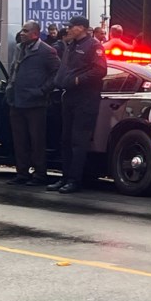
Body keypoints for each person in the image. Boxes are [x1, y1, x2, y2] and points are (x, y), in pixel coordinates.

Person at [48, 15, 107, 194]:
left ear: (81, 28)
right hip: (69, 96)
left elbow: (100, 70)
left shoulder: (94, 46)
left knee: (78, 140)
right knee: (65, 139)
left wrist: (77, 80)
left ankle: (75, 180)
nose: (68, 29)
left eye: (72, 27)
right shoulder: (71, 45)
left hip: (86, 97)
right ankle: (65, 176)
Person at [4, 20, 61, 186]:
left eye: (25, 31)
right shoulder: (19, 48)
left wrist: (42, 90)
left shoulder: (47, 51)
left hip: (36, 104)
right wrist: (9, 89)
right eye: (22, 30)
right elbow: (14, 70)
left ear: (35, 34)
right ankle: (22, 173)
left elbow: (57, 73)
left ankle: (39, 175)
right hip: (17, 101)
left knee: (37, 141)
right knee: (19, 139)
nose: (22, 33)